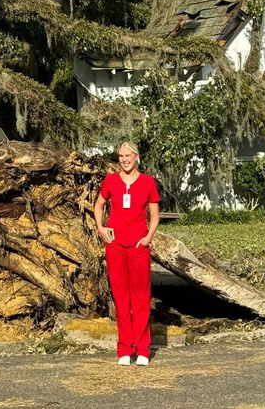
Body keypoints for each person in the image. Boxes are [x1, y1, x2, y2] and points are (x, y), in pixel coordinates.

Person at [93, 142, 160, 366]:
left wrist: (148, 237)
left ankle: (142, 350)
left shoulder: (148, 182)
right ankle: (124, 350)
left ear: (136, 157)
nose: (124, 159)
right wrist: (101, 228)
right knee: (121, 298)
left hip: (139, 246)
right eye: (121, 156)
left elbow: (154, 215)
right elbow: (99, 205)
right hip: (115, 246)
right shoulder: (111, 181)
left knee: (140, 298)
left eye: (128, 155)